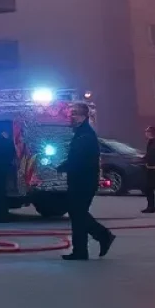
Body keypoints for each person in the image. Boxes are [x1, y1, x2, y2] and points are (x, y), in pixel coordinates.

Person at [56, 101, 113, 261]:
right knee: (77, 214)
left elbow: (80, 159)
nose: (71, 117)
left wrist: (64, 167)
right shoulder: (82, 132)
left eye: (74, 114)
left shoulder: (86, 134)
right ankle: (83, 249)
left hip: (83, 182)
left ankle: (102, 236)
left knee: (78, 213)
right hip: (80, 181)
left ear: (82, 116)